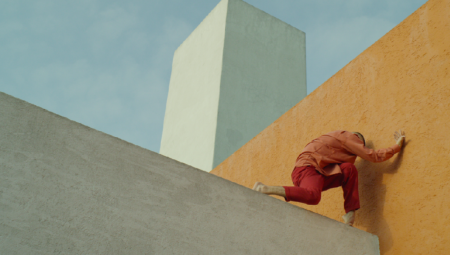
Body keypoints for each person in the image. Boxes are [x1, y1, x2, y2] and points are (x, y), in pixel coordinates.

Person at [252, 130, 405, 226]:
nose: (357, 152)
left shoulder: (335, 142)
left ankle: (350, 215)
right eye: (359, 147)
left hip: (314, 170)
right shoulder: (350, 137)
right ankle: (265, 188)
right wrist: (396, 146)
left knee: (349, 169)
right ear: (358, 140)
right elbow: (374, 156)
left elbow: (343, 169)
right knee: (313, 196)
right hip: (308, 168)